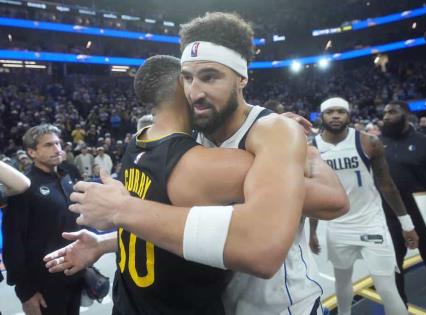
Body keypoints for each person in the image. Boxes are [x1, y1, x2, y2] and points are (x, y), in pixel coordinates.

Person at [45, 51, 348, 315]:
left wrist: (106, 242)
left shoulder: (136, 146)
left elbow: (156, 223)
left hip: (133, 302)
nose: (200, 90)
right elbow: (333, 200)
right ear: (184, 86)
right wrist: (303, 150)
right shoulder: (204, 165)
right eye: (193, 79)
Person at [309, 97, 419, 315]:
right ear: (322, 116)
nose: (336, 116)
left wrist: (406, 224)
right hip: (338, 227)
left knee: (387, 288)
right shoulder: (312, 148)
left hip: (371, 223)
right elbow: (314, 193)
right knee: (342, 283)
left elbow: (387, 185)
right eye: (330, 112)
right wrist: (312, 231)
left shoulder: (369, 142)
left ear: (349, 115)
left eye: (341, 111)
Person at [2, 124, 84, 315]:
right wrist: (25, 292)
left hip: (74, 273)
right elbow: (13, 240)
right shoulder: (23, 187)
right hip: (43, 283)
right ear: (32, 152)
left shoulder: (68, 175)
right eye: (48, 145)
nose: (57, 149)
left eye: (58, 143)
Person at [381, 100, 426, 305]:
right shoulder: (378, 145)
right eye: (384, 112)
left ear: (406, 114)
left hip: (424, 216)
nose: (386, 116)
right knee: (393, 268)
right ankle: (398, 308)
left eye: (392, 112)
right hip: (391, 217)